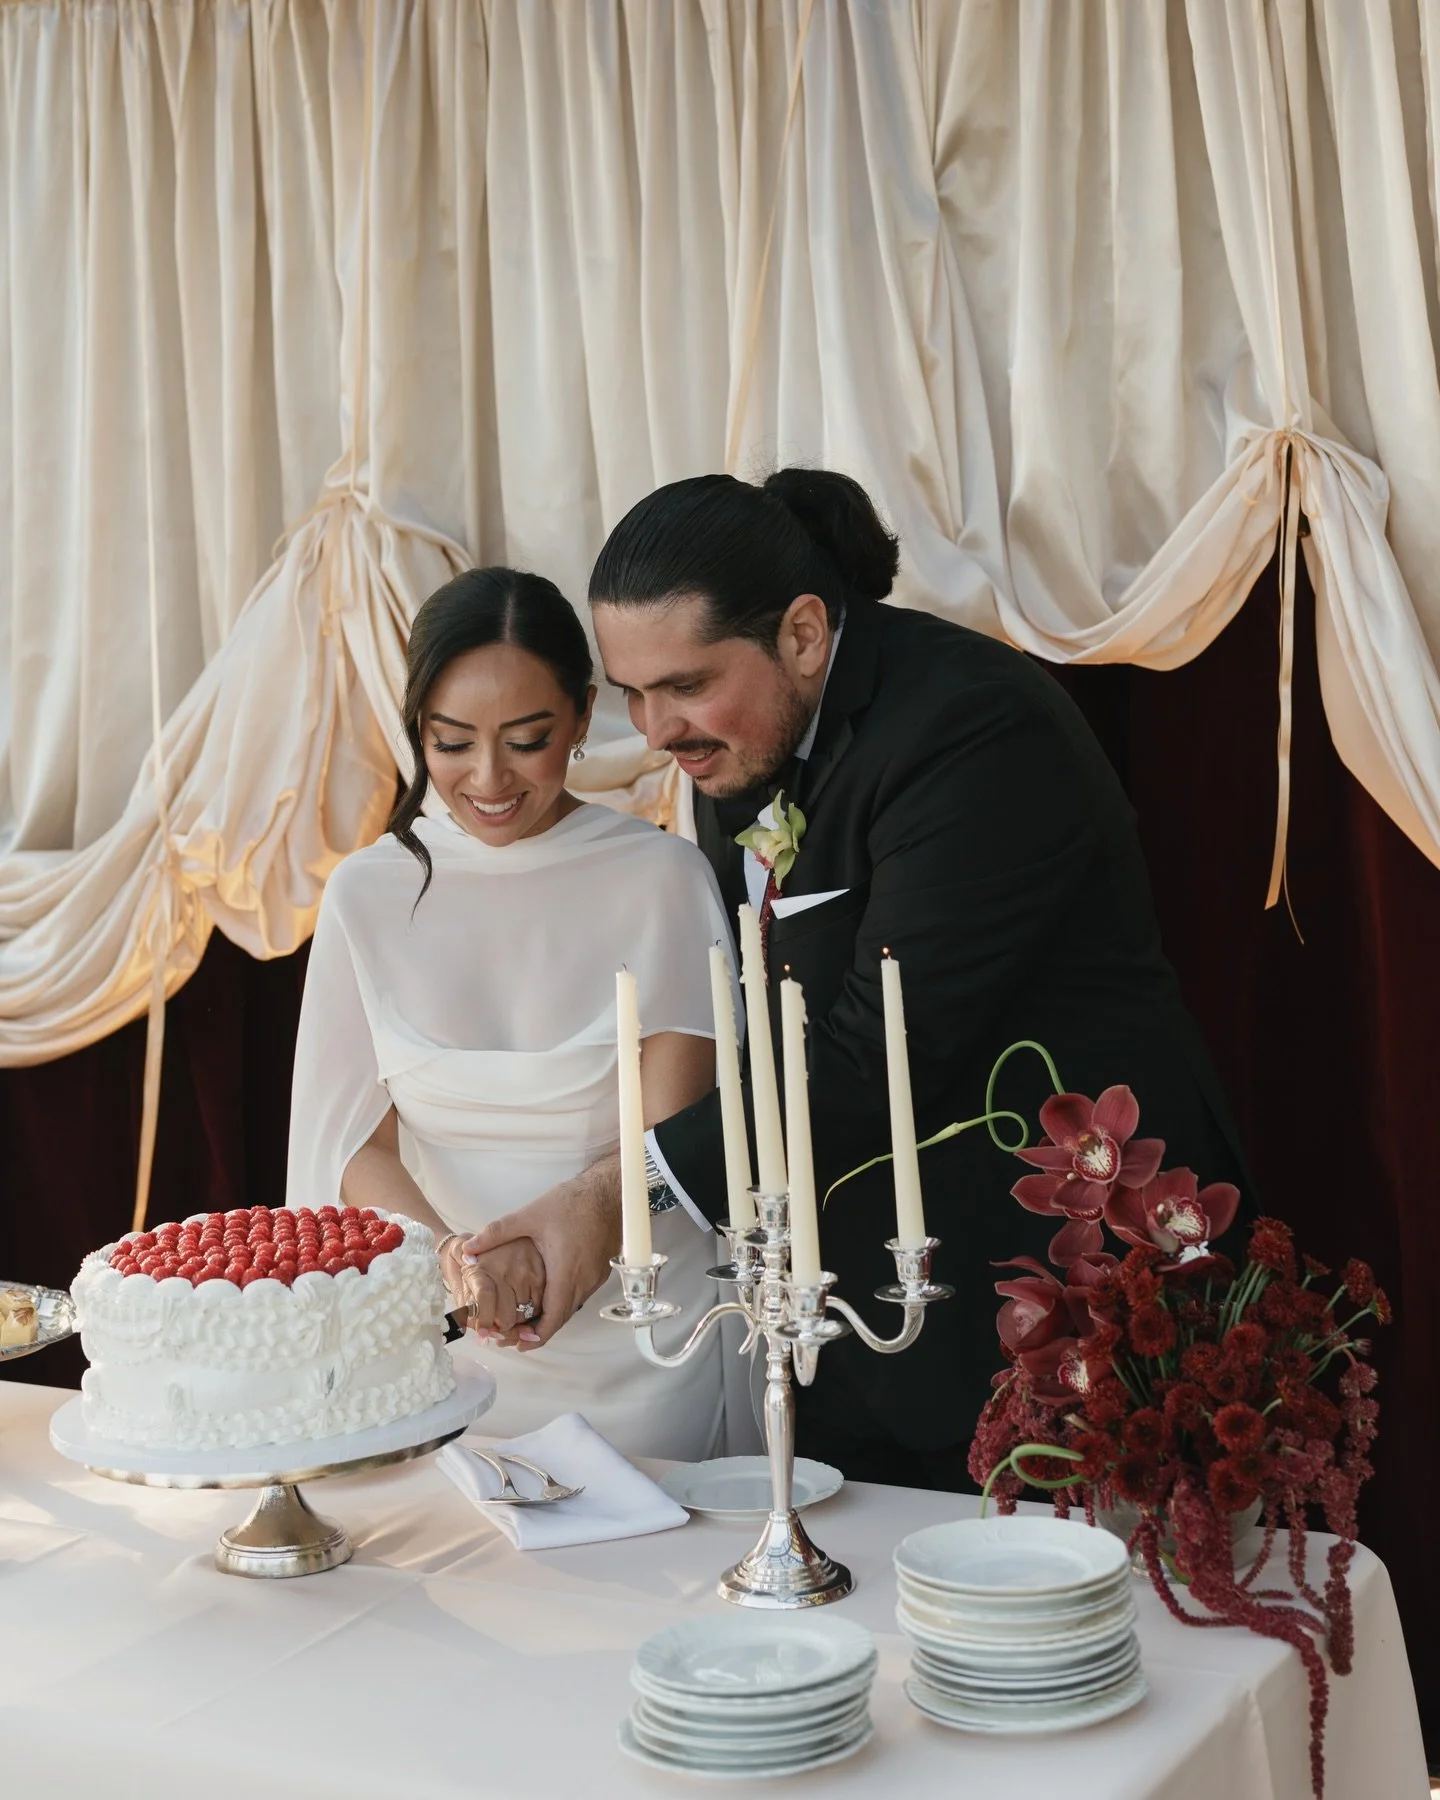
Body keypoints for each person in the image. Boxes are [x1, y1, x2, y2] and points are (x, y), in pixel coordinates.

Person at [463, 468, 1254, 1490]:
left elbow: (870, 1049)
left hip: (1073, 1299)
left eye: (687, 684)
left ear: (801, 633)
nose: (655, 731)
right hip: (869, 1327)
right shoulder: (731, 751)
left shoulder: (975, 730)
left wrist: (614, 1195)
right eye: (632, 693)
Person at [286, 567, 736, 1460]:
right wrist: (457, 1263)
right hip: (442, 1358)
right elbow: (350, 1146)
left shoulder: (661, 880)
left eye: (526, 740)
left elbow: (672, 1137)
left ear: (581, 716)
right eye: (451, 743)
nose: (486, 779)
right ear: (418, 727)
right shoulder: (365, 895)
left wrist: (549, 1255)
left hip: (644, 1355)